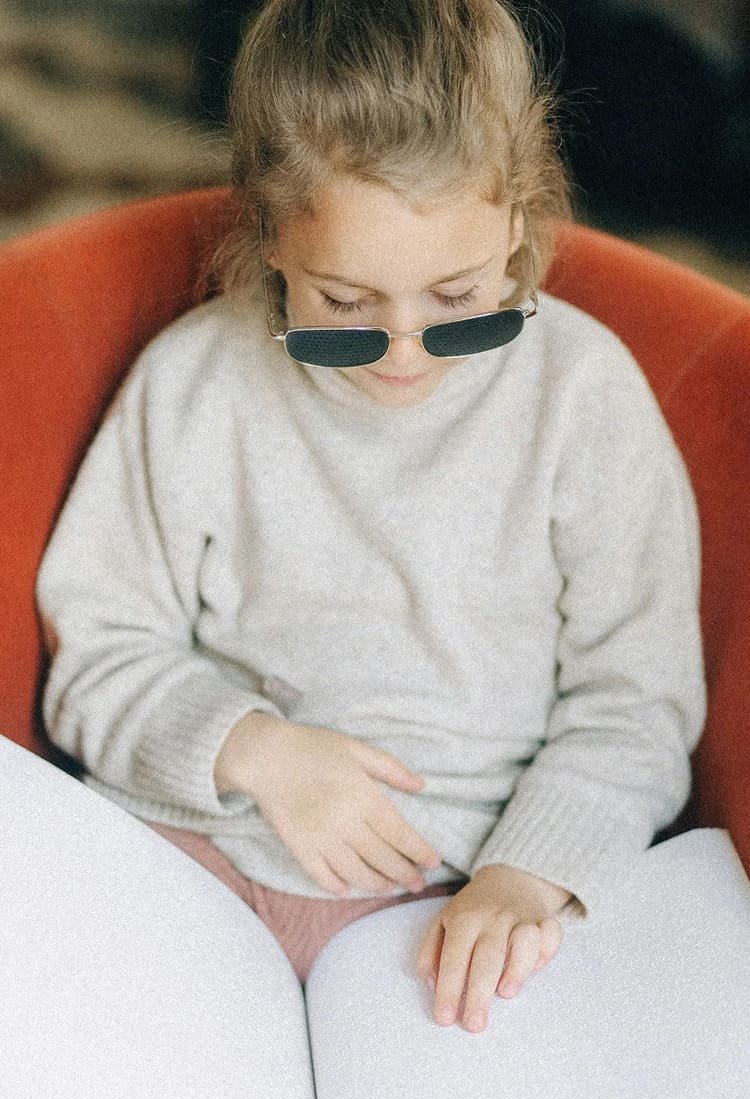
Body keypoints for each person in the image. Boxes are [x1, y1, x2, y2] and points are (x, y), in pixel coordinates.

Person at [36, 0, 705, 1039]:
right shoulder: (195, 383)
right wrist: (250, 749)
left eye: (460, 296)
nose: (404, 353)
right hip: (200, 851)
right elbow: (97, 655)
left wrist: (530, 874)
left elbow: (639, 698)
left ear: (520, 222)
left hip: (463, 895)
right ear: (269, 241)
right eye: (344, 307)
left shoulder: (585, 400)